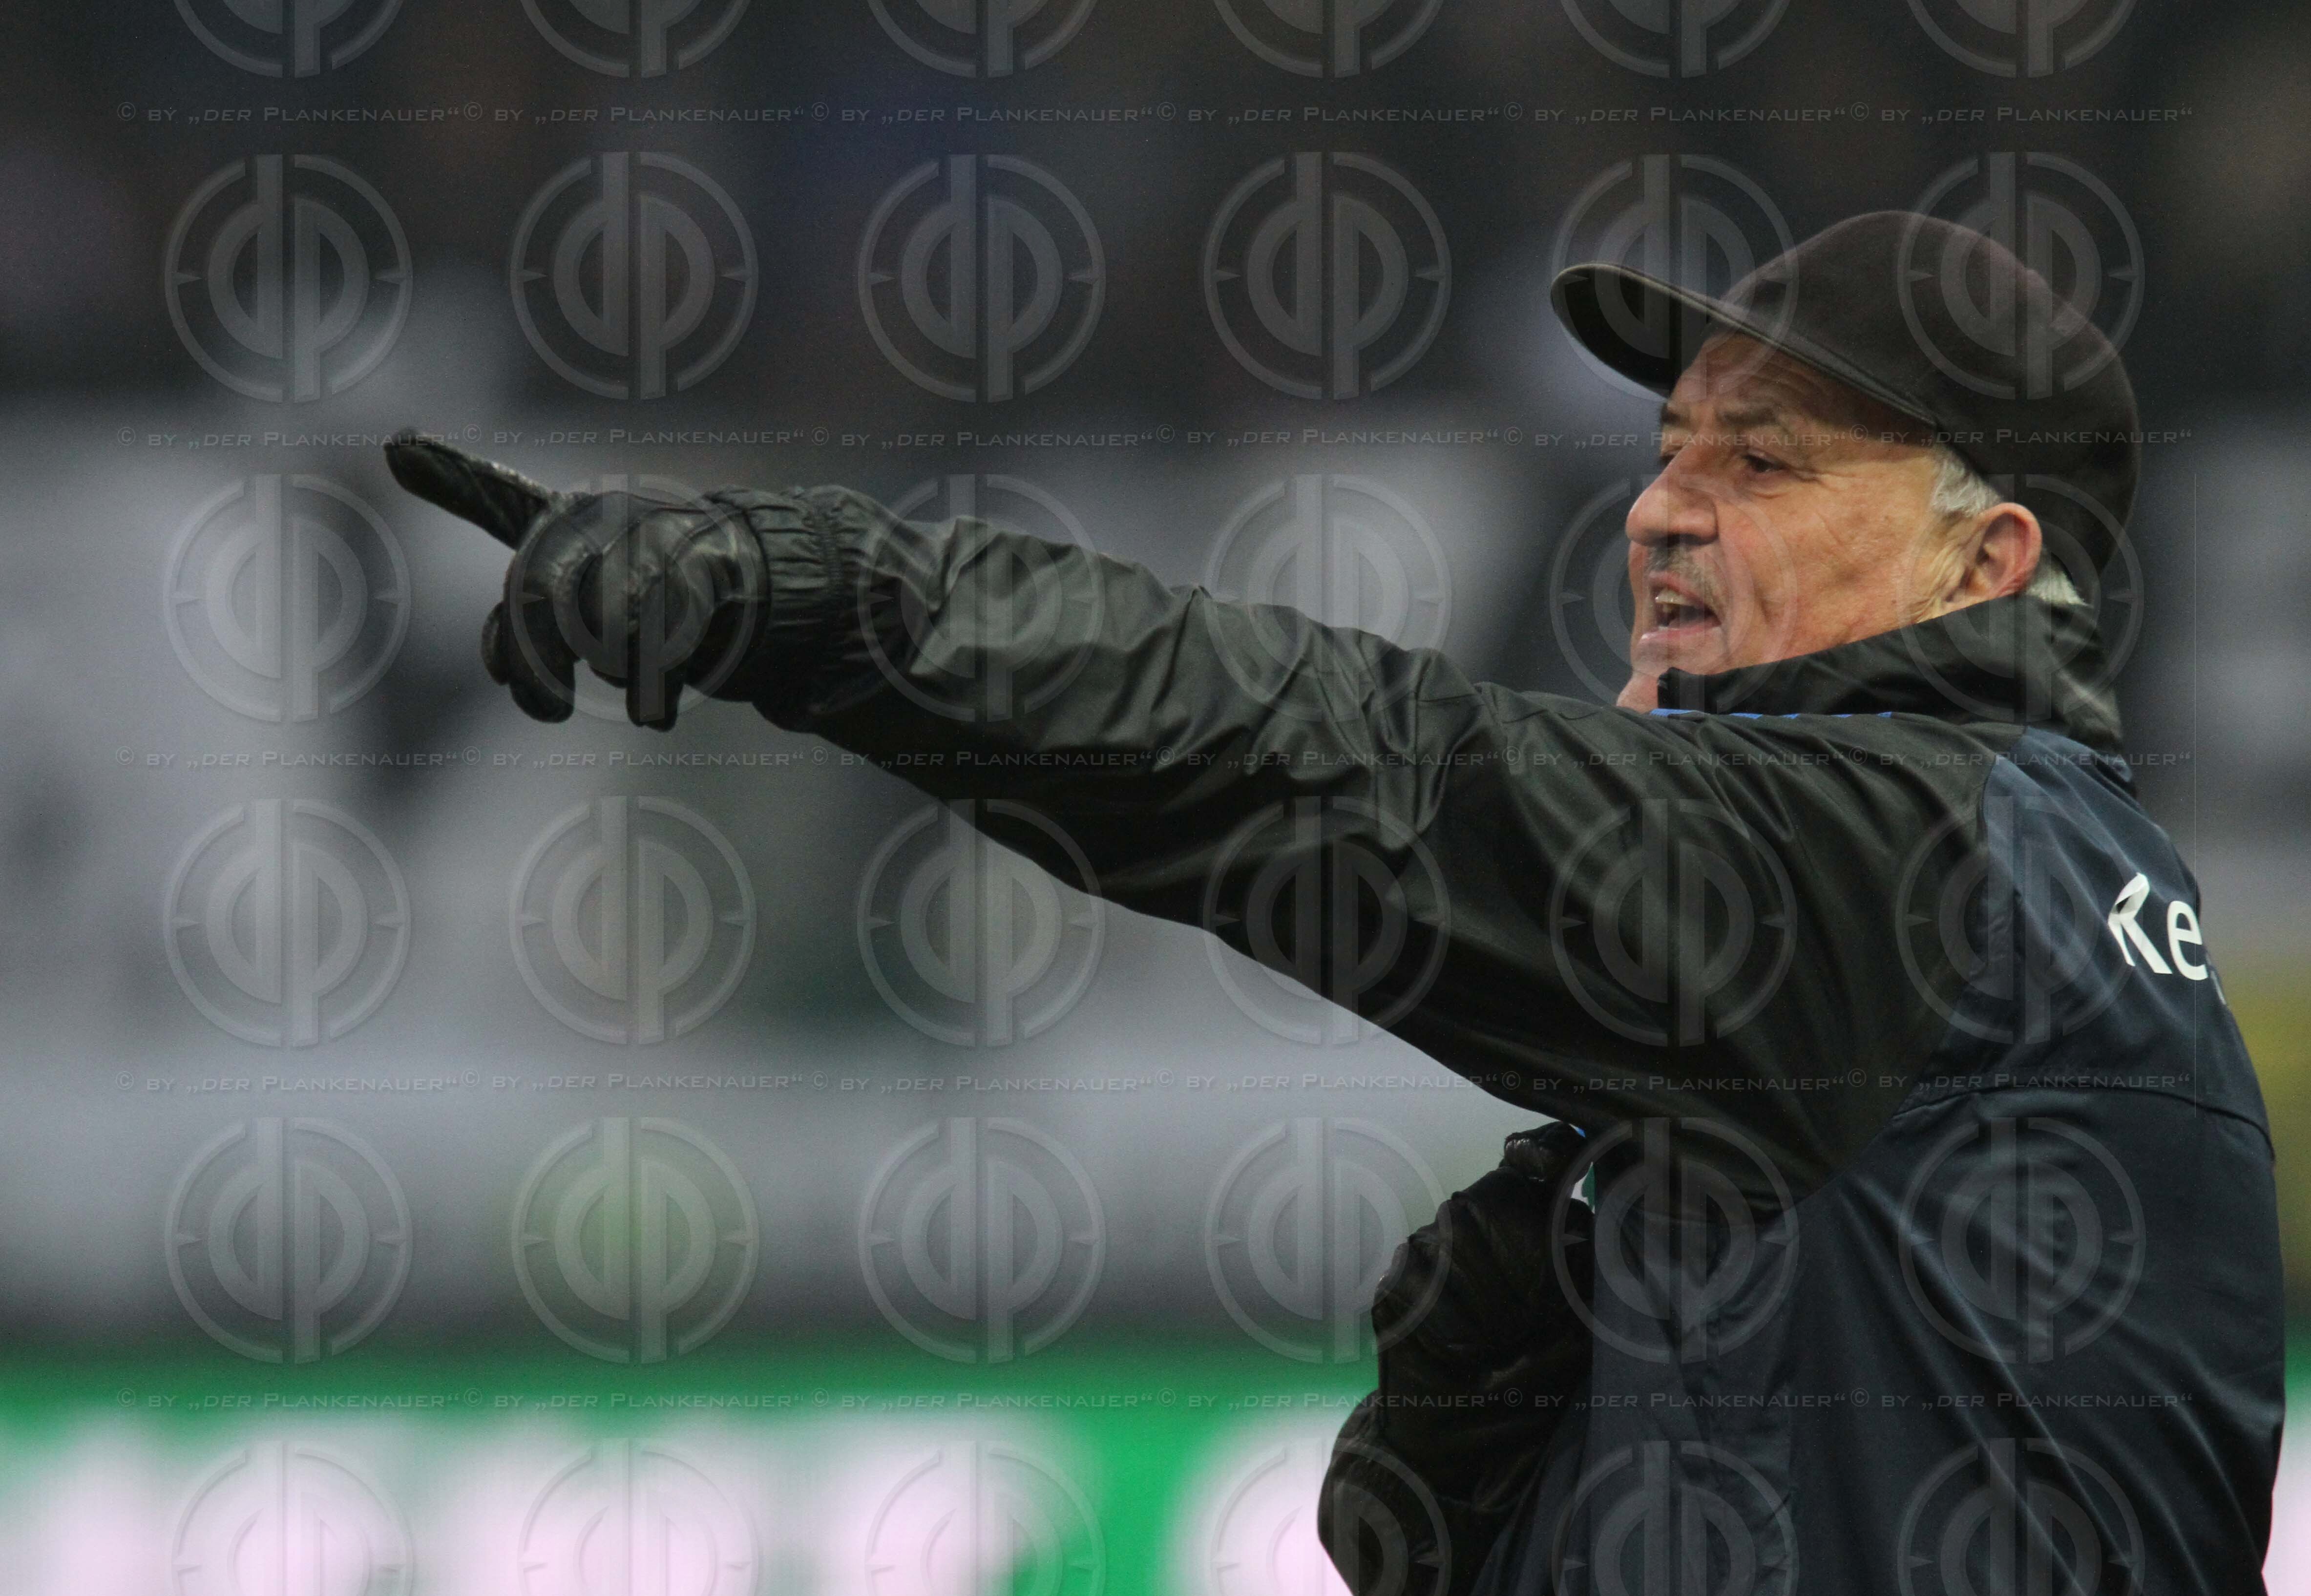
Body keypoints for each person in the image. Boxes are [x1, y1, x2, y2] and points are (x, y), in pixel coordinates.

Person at [386, 210, 2282, 1594]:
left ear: (1985, 560)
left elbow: (1312, 754)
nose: (1660, 508)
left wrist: (819, 601)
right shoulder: (2037, 910)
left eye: (1762, 460)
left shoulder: (1900, 857)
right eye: (1667, 450)